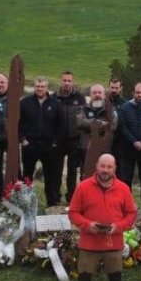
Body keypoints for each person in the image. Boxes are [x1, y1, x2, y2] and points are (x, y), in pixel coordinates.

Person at [68, 154, 138, 281]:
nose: (105, 170)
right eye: (102, 166)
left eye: (109, 167)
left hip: (113, 243)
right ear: (96, 166)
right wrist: (87, 225)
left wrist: (118, 227)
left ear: (114, 169)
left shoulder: (123, 188)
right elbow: (73, 212)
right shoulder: (83, 187)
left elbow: (131, 214)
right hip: (90, 243)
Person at [19, 76, 66, 206]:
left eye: (43, 87)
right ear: (34, 87)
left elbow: (61, 125)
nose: (40, 89)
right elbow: (18, 123)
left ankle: (51, 205)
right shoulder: (25, 102)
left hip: (49, 147)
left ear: (47, 88)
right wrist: (22, 139)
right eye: (38, 86)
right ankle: (25, 204)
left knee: (50, 178)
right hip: (30, 145)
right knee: (27, 176)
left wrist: (55, 142)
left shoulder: (55, 104)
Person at [116, 83, 141, 208]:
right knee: (126, 180)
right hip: (127, 150)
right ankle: (127, 206)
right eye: (137, 92)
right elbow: (122, 127)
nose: (140, 95)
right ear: (133, 93)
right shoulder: (125, 107)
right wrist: (134, 141)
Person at [56, 71, 88, 202]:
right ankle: (56, 197)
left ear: (72, 81)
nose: (66, 83)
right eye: (64, 80)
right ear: (61, 80)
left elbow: (84, 118)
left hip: (74, 139)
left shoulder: (80, 98)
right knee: (56, 170)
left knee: (72, 170)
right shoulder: (54, 97)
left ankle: (71, 197)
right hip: (58, 141)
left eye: (69, 80)